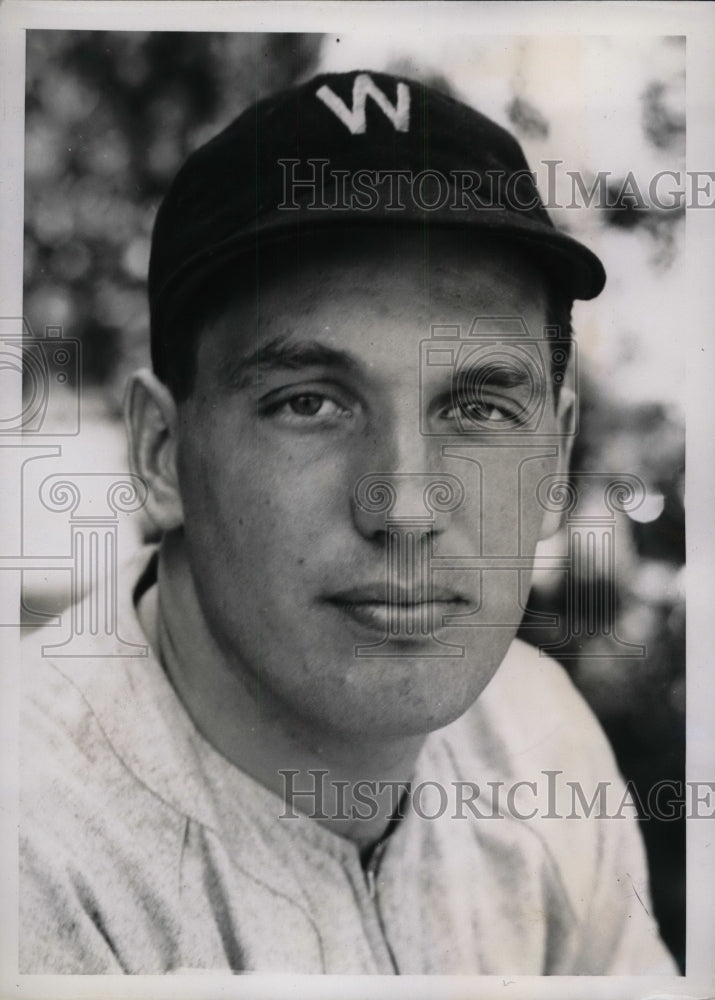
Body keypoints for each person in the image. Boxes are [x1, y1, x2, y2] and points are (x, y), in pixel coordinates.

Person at [20, 70, 678, 975]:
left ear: (554, 459)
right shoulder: (33, 841)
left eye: (479, 409)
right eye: (309, 404)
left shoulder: (535, 736)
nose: (405, 504)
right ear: (163, 454)